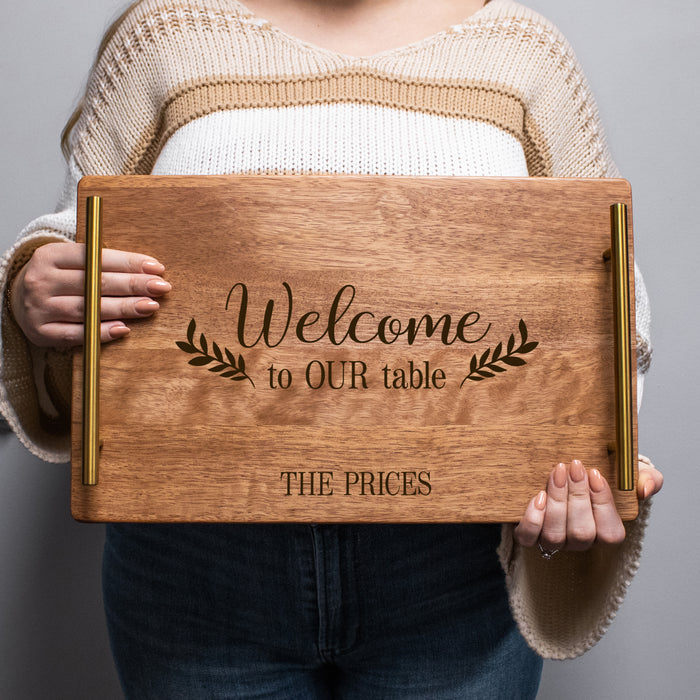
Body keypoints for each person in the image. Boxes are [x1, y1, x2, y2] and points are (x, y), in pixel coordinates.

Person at [0, 0, 663, 697]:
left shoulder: (527, 55)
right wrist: (33, 286)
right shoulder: (163, 37)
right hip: (194, 554)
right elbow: (85, 231)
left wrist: (591, 462)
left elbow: (609, 288)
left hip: (455, 560)